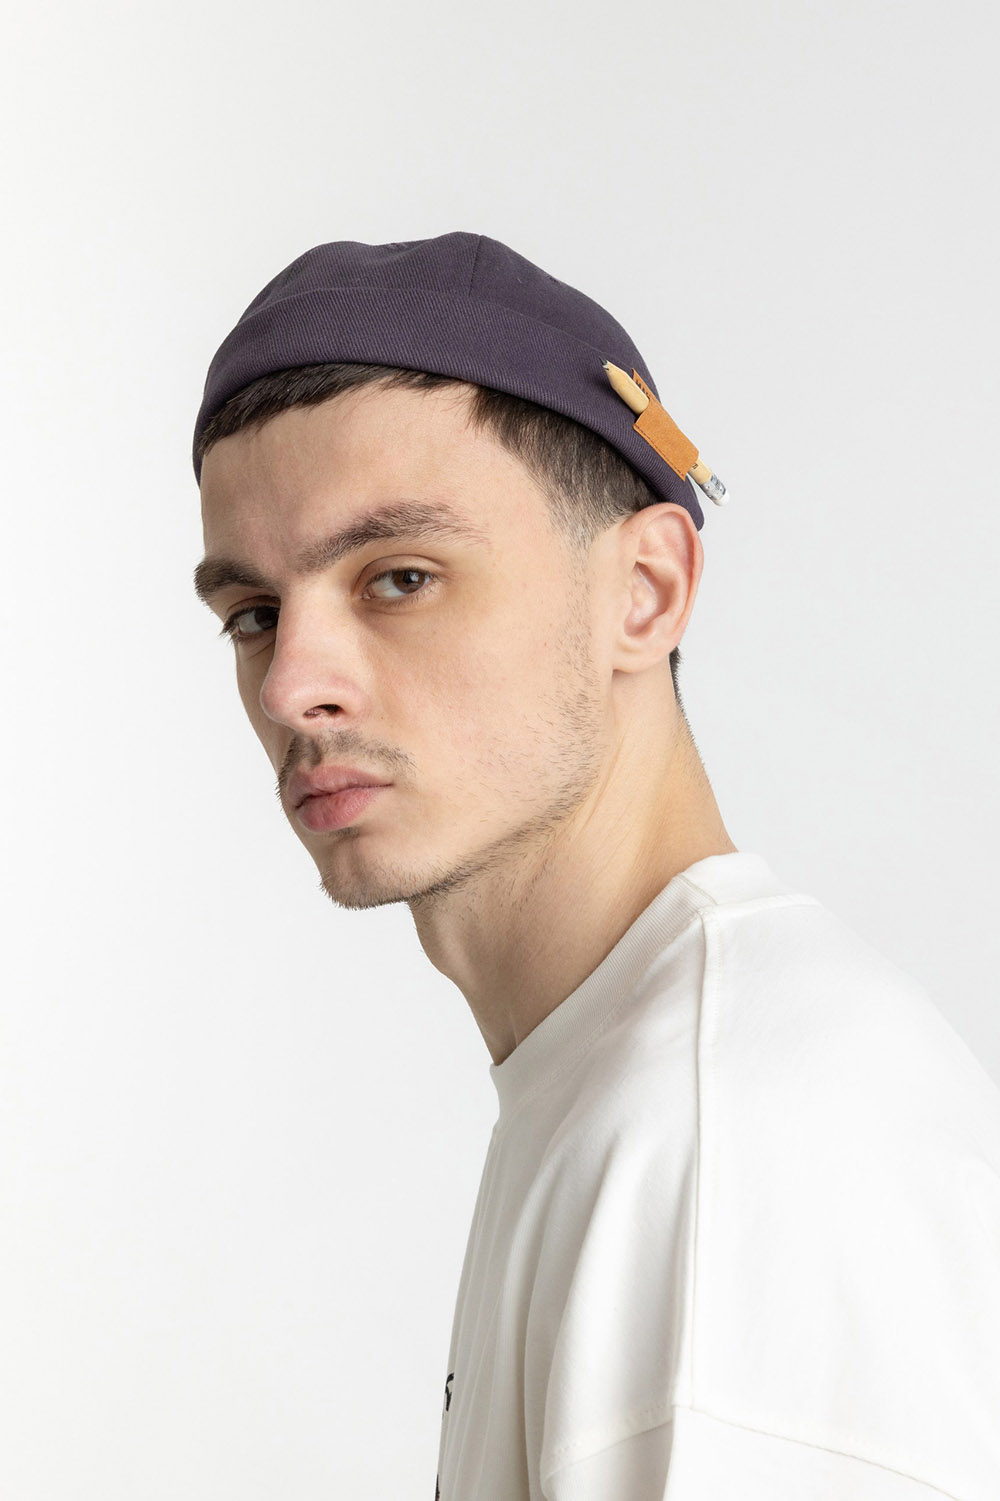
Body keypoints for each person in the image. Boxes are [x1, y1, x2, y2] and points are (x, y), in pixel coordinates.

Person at [191, 232, 1000, 1500]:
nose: (293, 684)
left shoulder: (728, 1141)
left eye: (399, 578)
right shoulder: (625, 1078)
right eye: (254, 613)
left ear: (645, 589)